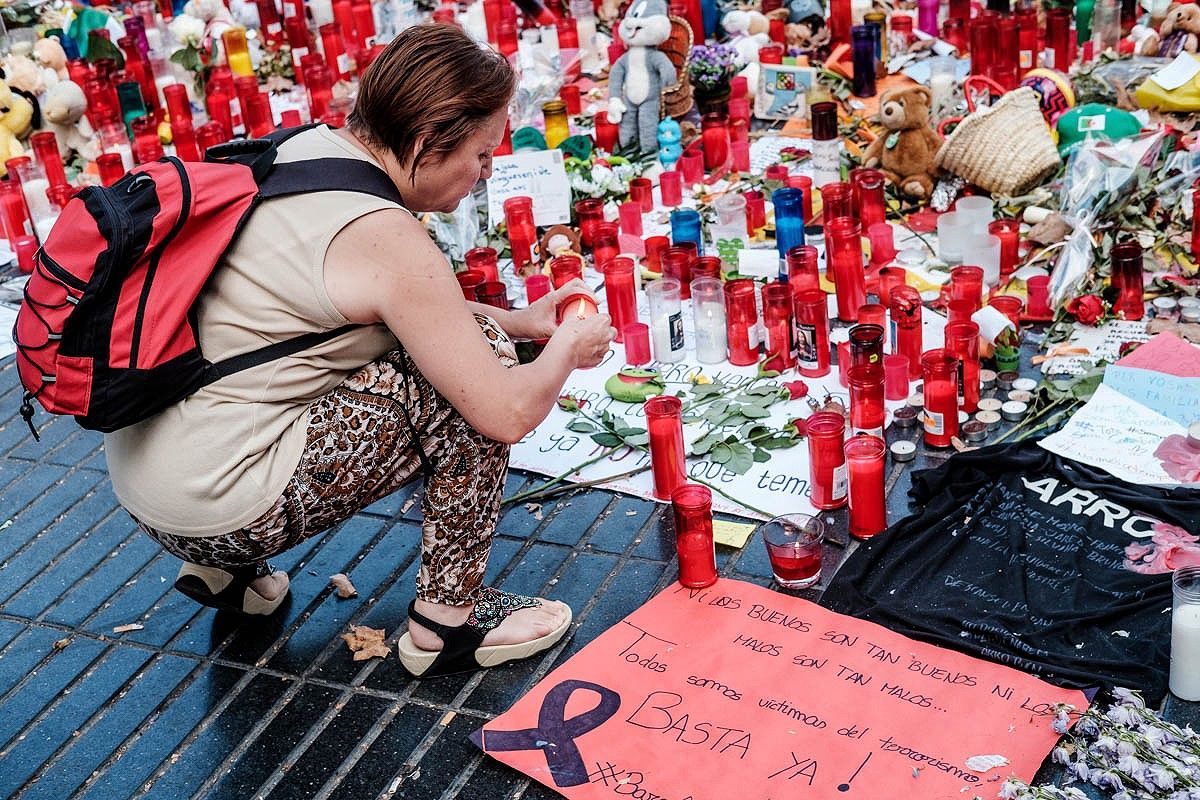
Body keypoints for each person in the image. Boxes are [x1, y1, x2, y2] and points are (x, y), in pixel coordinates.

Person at [103, 24, 615, 677]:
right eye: (483, 155)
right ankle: (447, 624)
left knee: (468, 339)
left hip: (153, 481)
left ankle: (230, 578)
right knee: (478, 365)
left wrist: (520, 318)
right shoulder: (384, 233)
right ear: (429, 142)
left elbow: (375, 310)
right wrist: (567, 345)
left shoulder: (302, 150)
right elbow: (505, 414)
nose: (485, 174)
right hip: (221, 505)